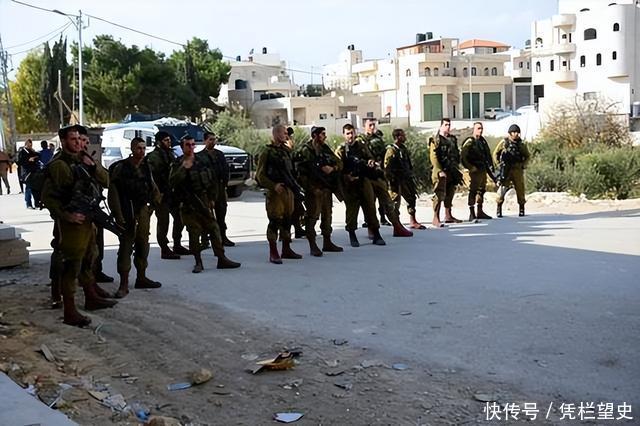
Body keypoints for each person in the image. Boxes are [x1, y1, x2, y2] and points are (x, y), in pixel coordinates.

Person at [41, 126, 117, 327]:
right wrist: (66, 215)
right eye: (73, 139)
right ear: (63, 141)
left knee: (89, 258)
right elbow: (48, 197)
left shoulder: (82, 159)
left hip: (87, 219)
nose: (78, 142)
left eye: (79, 138)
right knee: (72, 265)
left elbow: (106, 180)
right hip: (72, 224)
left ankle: (91, 297)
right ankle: (69, 310)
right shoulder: (59, 165)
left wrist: (92, 166)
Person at [169, 135, 241, 273]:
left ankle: (221, 258)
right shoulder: (178, 163)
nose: (191, 147)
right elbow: (172, 182)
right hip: (188, 203)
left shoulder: (202, 160)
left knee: (214, 229)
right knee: (194, 232)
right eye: (187, 145)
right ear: (182, 147)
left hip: (204, 200)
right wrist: (183, 168)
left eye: (192, 144)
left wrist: (212, 198)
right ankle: (198, 262)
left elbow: (212, 179)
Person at [109, 137, 162, 297]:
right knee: (126, 246)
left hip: (142, 210)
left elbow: (153, 187)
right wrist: (118, 214)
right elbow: (113, 192)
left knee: (143, 244)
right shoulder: (121, 168)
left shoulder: (146, 167)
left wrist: (153, 205)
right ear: (132, 149)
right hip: (127, 211)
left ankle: (141, 277)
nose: (142, 151)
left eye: (144, 148)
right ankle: (124, 283)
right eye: (139, 148)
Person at [255, 124, 303, 264]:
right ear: (276, 134)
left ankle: (286, 249)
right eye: (284, 133)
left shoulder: (286, 151)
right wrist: (273, 186)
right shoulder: (267, 152)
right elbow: (260, 175)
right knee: (275, 221)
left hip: (288, 191)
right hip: (275, 193)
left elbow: (292, 171)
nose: (286, 135)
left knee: (288, 220)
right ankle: (273, 252)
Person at [296, 126, 343, 256]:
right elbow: (301, 174)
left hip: (326, 188)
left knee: (327, 215)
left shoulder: (325, 148)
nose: (325, 137)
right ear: (315, 136)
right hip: (313, 190)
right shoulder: (306, 150)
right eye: (322, 134)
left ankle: (327, 242)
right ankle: (313, 244)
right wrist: (311, 188)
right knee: (312, 217)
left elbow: (339, 163)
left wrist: (332, 168)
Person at [75, 125, 114, 283]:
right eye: (81, 140)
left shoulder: (91, 159)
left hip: (93, 208)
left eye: (86, 141)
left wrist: (93, 166)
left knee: (97, 244)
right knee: (76, 248)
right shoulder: (66, 162)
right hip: (75, 212)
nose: (84, 144)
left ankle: (96, 272)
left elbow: (107, 181)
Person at [146, 131, 187, 259]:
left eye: (169, 140)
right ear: (159, 142)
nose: (169, 142)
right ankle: (164, 249)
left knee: (179, 218)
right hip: (161, 194)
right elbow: (153, 177)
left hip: (172, 193)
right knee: (163, 222)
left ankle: (177, 244)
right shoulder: (153, 157)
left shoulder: (170, 154)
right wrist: (157, 194)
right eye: (166, 140)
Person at [197, 131, 235, 247]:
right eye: (210, 139)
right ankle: (204, 239)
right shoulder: (200, 156)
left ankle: (222, 237)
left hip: (220, 187)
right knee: (206, 215)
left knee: (221, 213)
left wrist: (225, 184)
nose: (213, 142)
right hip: (207, 189)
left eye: (214, 139)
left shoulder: (219, 154)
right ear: (205, 141)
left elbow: (225, 169)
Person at [384, 128, 426, 229]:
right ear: (397, 137)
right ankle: (396, 223)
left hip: (406, 178)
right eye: (403, 135)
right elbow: (386, 167)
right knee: (395, 202)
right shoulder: (391, 150)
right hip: (396, 180)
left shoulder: (403, 149)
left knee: (411, 198)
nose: (405, 137)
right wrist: (392, 179)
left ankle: (413, 220)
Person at [428, 118, 463, 227]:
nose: (448, 127)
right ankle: (436, 217)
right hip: (440, 171)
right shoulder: (436, 139)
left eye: (449, 125)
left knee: (450, 192)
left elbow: (456, 154)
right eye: (446, 125)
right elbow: (433, 157)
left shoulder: (452, 139)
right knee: (439, 194)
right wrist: (439, 170)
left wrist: (457, 167)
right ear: (441, 126)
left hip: (451, 170)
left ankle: (448, 216)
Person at [357, 118, 391, 226]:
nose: (372, 127)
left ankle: (383, 217)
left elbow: (384, 152)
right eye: (370, 125)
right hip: (367, 171)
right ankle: (369, 219)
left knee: (382, 195)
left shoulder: (378, 139)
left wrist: (382, 164)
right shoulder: (360, 140)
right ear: (364, 126)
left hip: (379, 170)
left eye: (373, 125)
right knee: (369, 198)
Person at [493, 124, 531, 217]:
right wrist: (499, 165)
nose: (516, 134)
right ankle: (499, 208)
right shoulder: (504, 143)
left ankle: (521, 208)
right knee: (502, 189)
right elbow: (495, 154)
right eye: (514, 132)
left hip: (517, 169)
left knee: (520, 189)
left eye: (517, 132)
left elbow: (527, 156)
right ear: (510, 133)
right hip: (506, 169)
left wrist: (523, 165)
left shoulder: (521, 144)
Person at [461, 122, 494, 221]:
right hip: (475, 170)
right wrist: (470, 167)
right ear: (474, 129)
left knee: (481, 190)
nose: (480, 130)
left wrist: (491, 166)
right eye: (478, 128)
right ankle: (472, 213)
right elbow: (463, 156)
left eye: (481, 128)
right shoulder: (470, 141)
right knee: (473, 190)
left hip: (483, 169)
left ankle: (480, 211)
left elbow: (487, 154)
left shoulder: (482, 141)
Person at [286, 126, 306, 239]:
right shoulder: (283, 152)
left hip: (293, 184)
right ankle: (285, 233)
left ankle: (298, 229)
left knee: (297, 208)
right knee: (288, 210)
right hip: (286, 185)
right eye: (289, 138)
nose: (291, 141)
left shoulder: (290, 153)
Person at [18, 139, 40, 208]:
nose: (30, 145)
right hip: (27, 172)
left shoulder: (32, 151)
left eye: (31, 144)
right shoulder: (22, 152)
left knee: (35, 188)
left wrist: (35, 157)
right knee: (29, 188)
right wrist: (28, 160)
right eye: (28, 144)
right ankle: (28, 204)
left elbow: (38, 156)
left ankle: (37, 203)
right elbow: (20, 161)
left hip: (34, 171)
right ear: (26, 144)